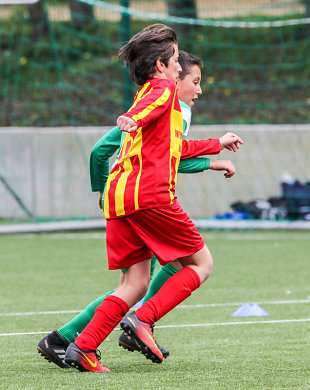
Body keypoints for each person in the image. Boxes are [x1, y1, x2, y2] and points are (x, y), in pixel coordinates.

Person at [37, 49, 236, 368]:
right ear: (166, 68)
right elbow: (107, 146)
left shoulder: (158, 95)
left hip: (123, 196)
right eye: (193, 80)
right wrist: (133, 119)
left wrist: (215, 149)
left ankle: (78, 343)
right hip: (147, 196)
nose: (199, 89)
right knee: (199, 263)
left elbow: (174, 148)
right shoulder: (165, 90)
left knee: (136, 281)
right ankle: (142, 322)